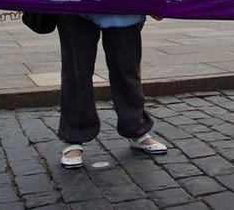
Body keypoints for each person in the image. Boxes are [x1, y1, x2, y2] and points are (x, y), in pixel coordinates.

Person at [55, 14, 167, 169]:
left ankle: (136, 128)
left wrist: (155, 2)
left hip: (124, 5)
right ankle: (74, 137)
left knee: (127, 70)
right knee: (76, 73)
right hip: (77, 7)